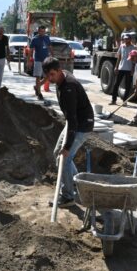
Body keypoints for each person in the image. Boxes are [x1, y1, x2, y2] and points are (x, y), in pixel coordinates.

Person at [43, 57, 94, 208]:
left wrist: (67, 147)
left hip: (81, 125)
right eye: (48, 75)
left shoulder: (68, 88)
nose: (50, 78)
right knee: (57, 154)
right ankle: (76, 184)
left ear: (59, 70)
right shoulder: (62, 75)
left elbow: (72, 121)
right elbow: (71, 119)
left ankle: (68, 197)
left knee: (64, 159)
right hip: (74, 122)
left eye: (52, 74)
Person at [110, 34, 136, 105]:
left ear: (130, 39)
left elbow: (134, 59)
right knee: (116, 84)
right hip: (121, 68)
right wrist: (116, 67)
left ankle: (125, 101)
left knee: (127, 86)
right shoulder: (122, 46)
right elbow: (119, 57)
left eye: (127, 39)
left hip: (129, 69)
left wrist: (133, 69)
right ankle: (113, 100)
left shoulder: (134, 47)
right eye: (124, 39)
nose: (125, 40)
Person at [29, 25, 52, 100]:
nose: (42, 33)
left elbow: (49, 47)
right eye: (41, 31)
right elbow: (31, 50)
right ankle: (39, 93)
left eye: (44, 31)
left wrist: (52, 55)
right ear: (38, 31)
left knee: (48, 76)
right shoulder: (34, 39)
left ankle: (37, 87)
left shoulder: (47, 38)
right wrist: (29, 60)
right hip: (38, 60)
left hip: (46, 60)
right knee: (38, 76)